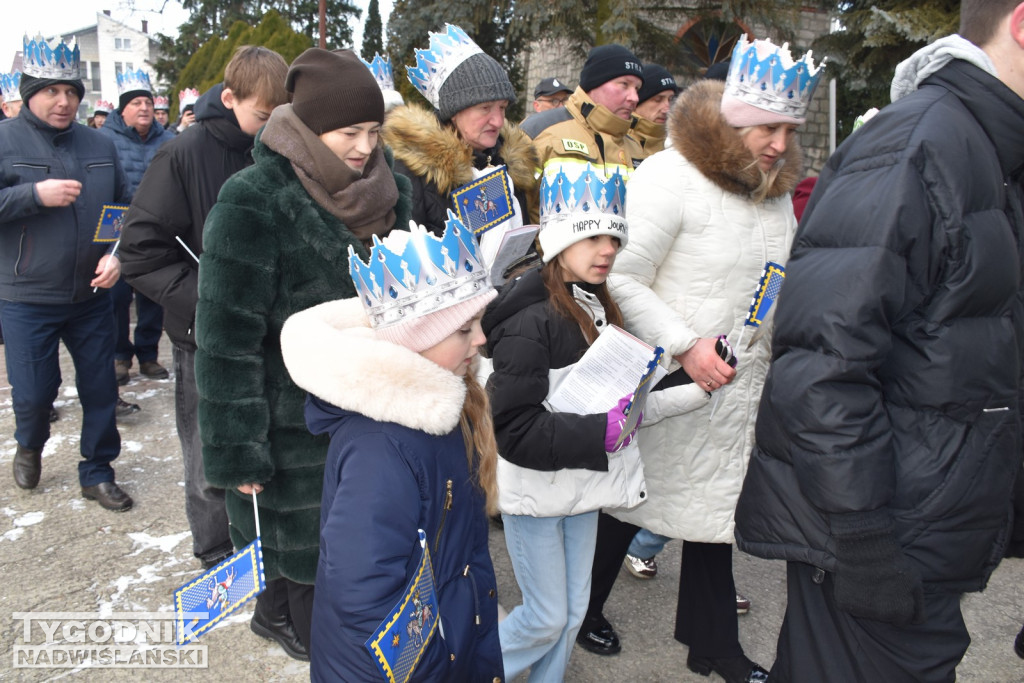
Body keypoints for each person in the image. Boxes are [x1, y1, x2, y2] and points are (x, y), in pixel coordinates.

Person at [734, 2, 1024, 680]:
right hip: (883, 538)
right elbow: (821, 365)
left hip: (929, 525)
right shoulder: (916, 146)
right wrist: (863, 537)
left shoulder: (989, 149)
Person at [585, 36, 823, 683]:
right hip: (671, 374)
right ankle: (580, 608)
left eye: (789, 130)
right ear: (735, 118)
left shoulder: (773, 190)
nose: (780, 143)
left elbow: (775, 278)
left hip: (737, 380)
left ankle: (710, 642)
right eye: (768, 128)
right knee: (631, 501)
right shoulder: (670, 176)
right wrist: (685, 344)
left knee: (711, 508)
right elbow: (619, 276)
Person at [196, 47, 412, 661]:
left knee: (369, 565)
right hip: (295, 432)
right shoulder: (254, 198)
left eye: (374, 131)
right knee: (310, 580)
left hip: (379, 414)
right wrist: (239, 450)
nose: (365, 148)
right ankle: (283, 619)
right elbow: (226, 341)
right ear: (312, 128)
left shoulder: (392, 189)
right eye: (350, 133)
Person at [483, 164, 686, 681]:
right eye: (593, 236)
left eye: (615, 238)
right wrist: (600, 433)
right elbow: (513, 430)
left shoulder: (596, 304)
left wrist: (695, 386)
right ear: (560, 240)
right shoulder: (529, 319)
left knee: (573, 613)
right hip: (536, 492)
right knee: (546, 616)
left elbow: (622, 403)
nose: (608, 250)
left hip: (581, 485)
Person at [280, 216, 503, 682]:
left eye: (479, 324)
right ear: (415, 340)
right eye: (465, 329)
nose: (481, 339)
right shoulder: (380, 450)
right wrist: (433, 667)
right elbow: (364, 595)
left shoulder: (440, 406)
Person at [119, 45, 289, 570]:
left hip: (274, 330)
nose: (271, 128)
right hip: (205, 336)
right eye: (262, 116)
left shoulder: (280, 147)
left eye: (279, 117)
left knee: (269, 447)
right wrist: (210, 300)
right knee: (209, 453)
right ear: (230, 97)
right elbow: (140, 252)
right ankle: (216, 554)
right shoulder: (182, 154)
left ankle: (271, 546)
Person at [0, 35, 131, 511]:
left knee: (101, 389)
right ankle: (29, 442)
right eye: (52, 91)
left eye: (71, 91)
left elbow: (120, 207)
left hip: (90, 295)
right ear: (29, 92)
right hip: (26, 296)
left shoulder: (99, 143)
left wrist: (116, 255)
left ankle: (97, 471)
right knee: (35, 394)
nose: (64, 101)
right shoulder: (4, 140)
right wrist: (33, 195)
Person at [383, 24, 537, 247]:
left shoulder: (509, 164)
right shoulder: (411, 172)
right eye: (485, 108)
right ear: (453, 113)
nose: (498, 121)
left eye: (502, 108)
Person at [99, 68, 175, 386]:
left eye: (147, 102)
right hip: (116, 225)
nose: (144, 108)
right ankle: (120, 355)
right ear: (123, 109)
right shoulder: (105, 139)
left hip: (156, 227)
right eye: (136, 103)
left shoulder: (169, 140)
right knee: (116, 297)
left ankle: (148, 354)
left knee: (153, 295)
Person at [526, 44, 646, 193]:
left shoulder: (636, 148)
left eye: (637, 89)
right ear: (594, 83)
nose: (634, 97)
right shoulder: (539, 131)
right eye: (624, 84)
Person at [630, 64, 679, 154]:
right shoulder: (617, 141)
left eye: (671, 99)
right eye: (658, 100)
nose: (667, 110)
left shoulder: (678, 147)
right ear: (636, 102)